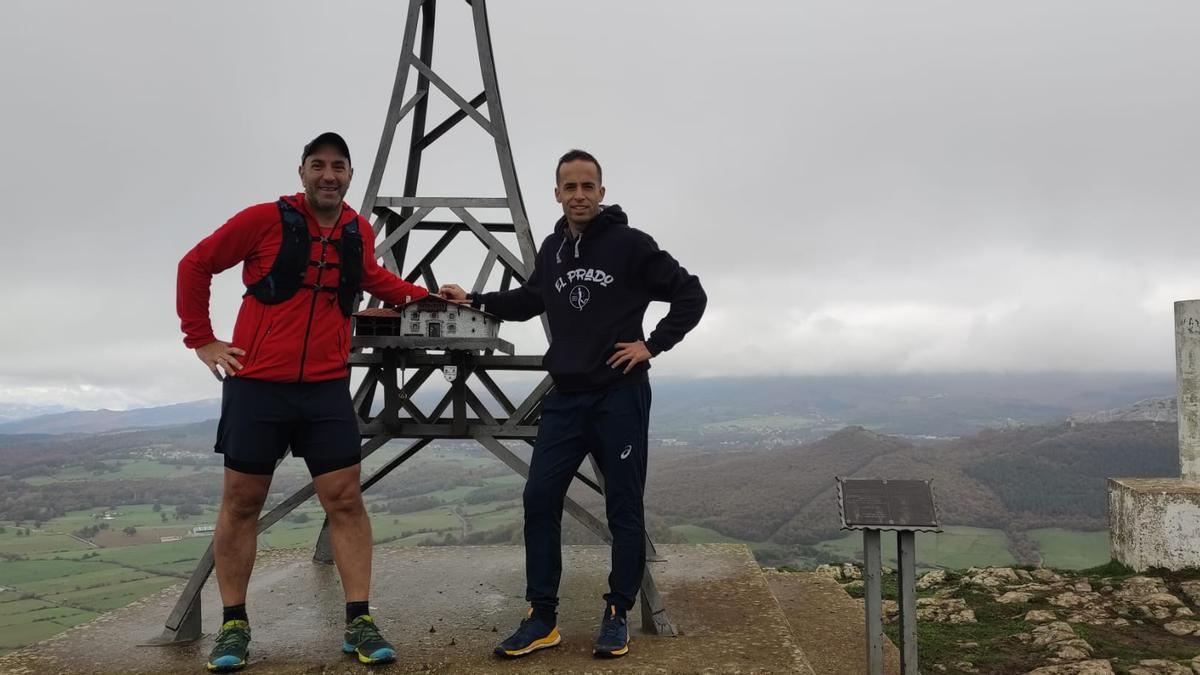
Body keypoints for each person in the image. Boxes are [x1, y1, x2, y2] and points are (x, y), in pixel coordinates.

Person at [439, 149, 706, 659]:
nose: (579, 195)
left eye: (588, 186)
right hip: (565, 398)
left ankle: (617, 612)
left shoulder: (631, 244)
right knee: (539, 498)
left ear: (601, 192)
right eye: (570, 187)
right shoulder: (553, 248)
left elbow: (691, 294)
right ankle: (542, 618)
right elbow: (529, 300)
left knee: (623, 505)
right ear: (557, 194)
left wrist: (653, 344)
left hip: (620, 395)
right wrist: (472, 299)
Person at [176, 132, 429, 672]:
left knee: (345, 500)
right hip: (256, 385)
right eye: (318, 165)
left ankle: (359, 621)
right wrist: (202, 339)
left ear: (350, 175)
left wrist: (429, 298)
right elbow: (195, 264)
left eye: (338, 167)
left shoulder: (358, 229)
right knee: (242, 503)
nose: (328, 176)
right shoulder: (263, 219)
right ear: (302, 172)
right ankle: (234, 625)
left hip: (324, 387)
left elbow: (374, 278)